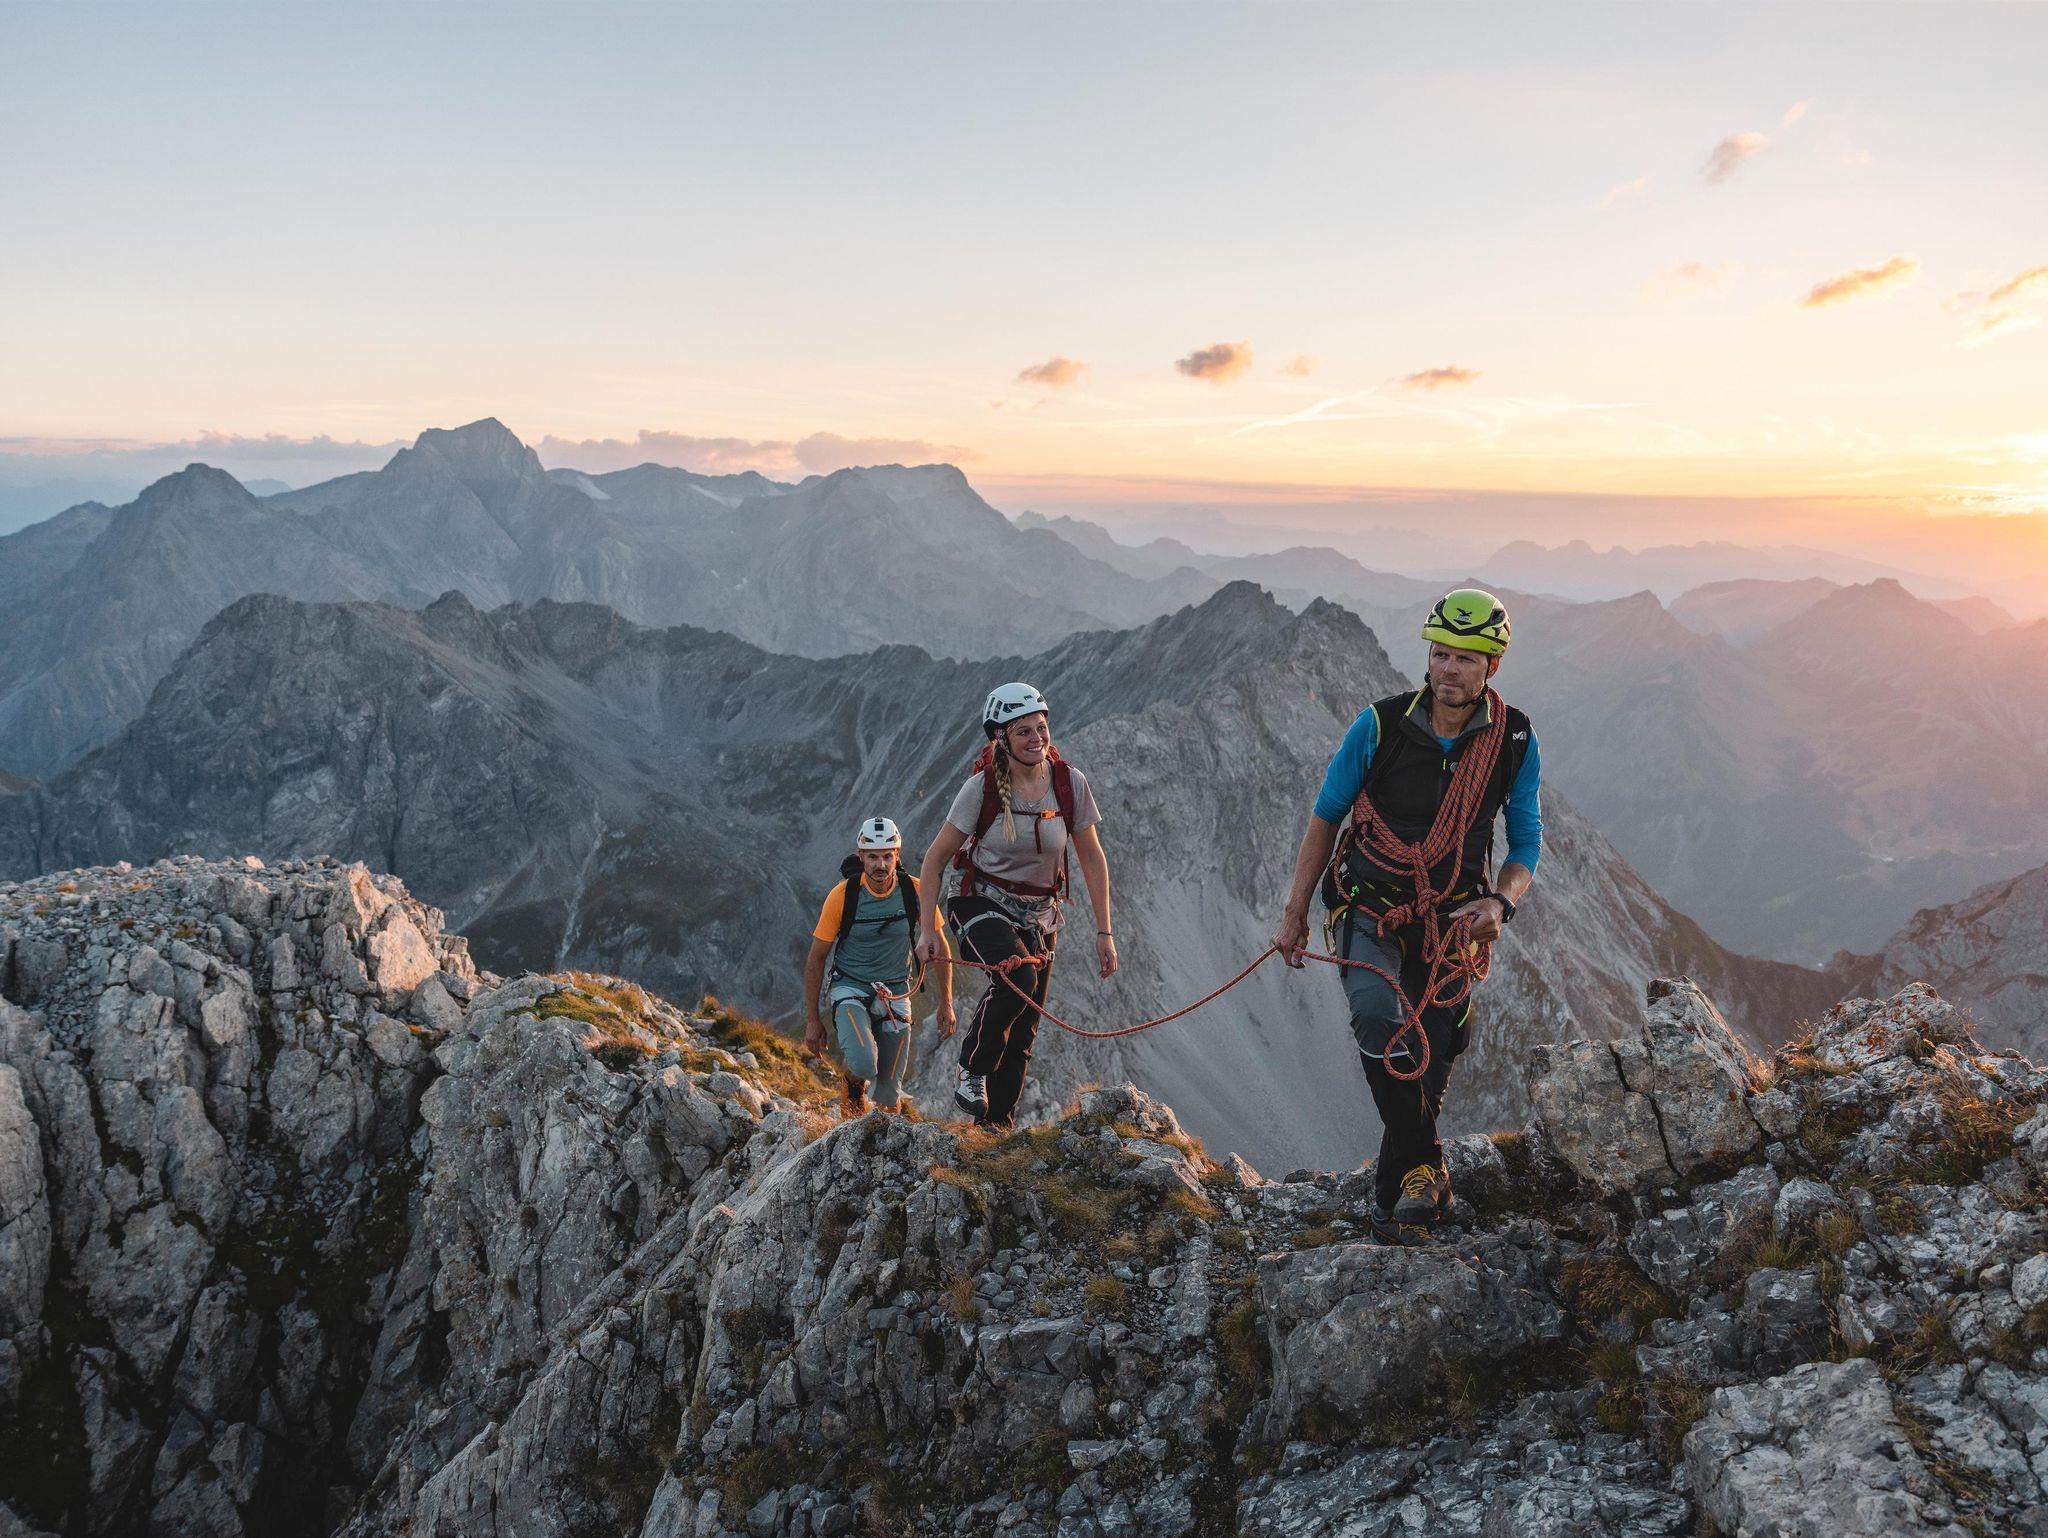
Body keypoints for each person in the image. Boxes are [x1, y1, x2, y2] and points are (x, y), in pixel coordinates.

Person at [1272, 589, 1542, 1242]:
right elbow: (1326, 817)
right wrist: (1294, 913)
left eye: (1465, 658)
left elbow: (1526, 842)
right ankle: (1429, 1168)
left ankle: (1394, 1206)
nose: (1448, 668)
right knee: (1376, 1014)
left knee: (1431, 1058)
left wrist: (1501, 902)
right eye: (1440, 653)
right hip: (1371, 906)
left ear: (1491, 666)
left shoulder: (1514, 738)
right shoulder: (1381, 726)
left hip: (1452, 924)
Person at [914, 683, 1116, 1129]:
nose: (1036, 738)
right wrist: (928, 930)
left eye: (1041, 727)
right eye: (1024, 731)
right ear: (1001, 738)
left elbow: (1092, 857)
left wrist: (1105, 931)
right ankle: (972, 1067)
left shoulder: (1069, 783)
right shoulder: (981, 788)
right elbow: (934, 859)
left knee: (1024, 1029)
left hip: (1040, 915)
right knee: (1018, 978)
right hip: (978, 901)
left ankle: (994, 1130)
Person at [804, 816, 954, 1115]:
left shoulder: (915, 891)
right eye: (873, 857)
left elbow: (941, 946)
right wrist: (812, 1019)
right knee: (862, 1063)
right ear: (861, 857)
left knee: (888, 1094)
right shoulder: (842, 896)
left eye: (887, 856)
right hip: (850, 987)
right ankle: (852, 1091)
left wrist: (946, 1003)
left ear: (897, 855)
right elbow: (816, 958)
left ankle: (883, 1138)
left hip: (895, 991)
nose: (880, 865)